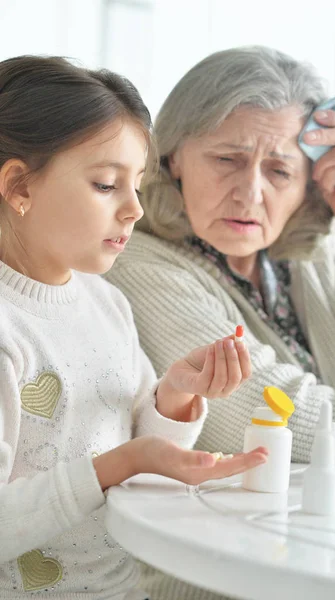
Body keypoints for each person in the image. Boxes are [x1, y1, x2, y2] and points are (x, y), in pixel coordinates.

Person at [0, 55, 268, 600]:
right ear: (19, 186)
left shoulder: (107, 304)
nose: (135, 210)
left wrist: (173, 397)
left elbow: (142, 462)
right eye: (106, 185)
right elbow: (119, 465)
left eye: (138, 185)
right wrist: (118, 464)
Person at [107, 45, 335, 466]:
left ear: (310, 184)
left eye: (280, 171)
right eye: (228, 160)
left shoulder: (314, 255)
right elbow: (274, 421)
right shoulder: (138, 264)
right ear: (173, 159)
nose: (250, 193)